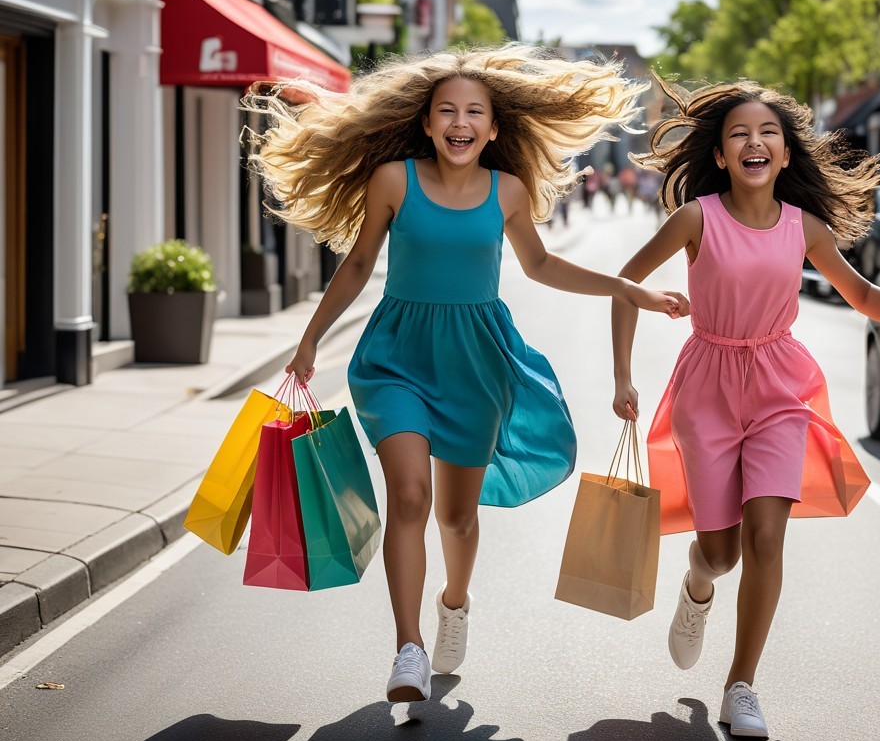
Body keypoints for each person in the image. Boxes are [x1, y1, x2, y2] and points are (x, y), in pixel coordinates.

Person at [243, 45, 686, 705]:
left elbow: (541, 266)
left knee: (456, 516)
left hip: (477, 363)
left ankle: (454, 603)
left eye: (473, 112)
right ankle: (408, 647)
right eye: (446, 110)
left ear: (493, 128)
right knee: (411, 498)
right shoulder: (393, 180)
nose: (459, 121)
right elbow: (360, 265)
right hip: (396, 357)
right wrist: (310, 338)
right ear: (426, 123)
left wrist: (631, 288)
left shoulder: (507, 191)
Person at [610, 76, 880, 740]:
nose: (754, 141)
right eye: (739, 133)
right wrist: (623, 377)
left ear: (782, 153)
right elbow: (625, 286)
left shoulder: (804, 227)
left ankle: (740, 685)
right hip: (708, 387)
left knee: (767, 536)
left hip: (779, 388)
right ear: (719, 155)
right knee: (721, 554)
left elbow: (860, 295)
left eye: (768, 132)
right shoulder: (697, 219)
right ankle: (697, 586)